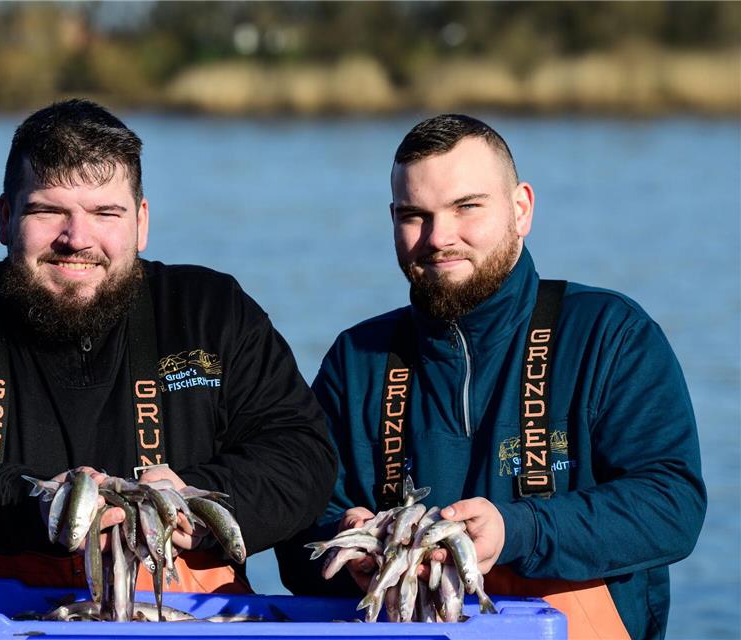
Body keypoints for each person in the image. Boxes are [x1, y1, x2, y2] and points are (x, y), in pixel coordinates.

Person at [0, 99, 336, 639]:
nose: (77, 238)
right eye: (48, 211)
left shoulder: (211, 310)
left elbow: (301, 454)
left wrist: (195, 501)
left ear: (141, 222)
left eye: (105, 213)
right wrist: (32, 503)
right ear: (4, 217)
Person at [276, 114, 705, 639]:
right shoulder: (356, 358)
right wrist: (346, 545)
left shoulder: (610, 333)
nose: (439, 238)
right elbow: (298, 534)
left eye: (466, 207)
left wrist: (517, 530)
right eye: (415, 215)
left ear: (521, 208)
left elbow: (672, 506)